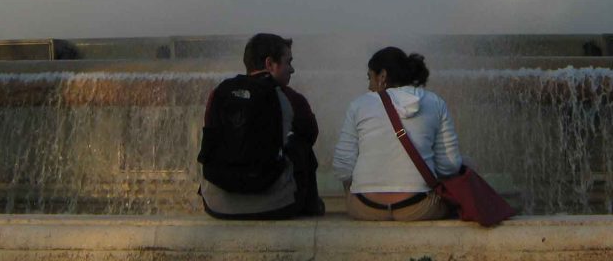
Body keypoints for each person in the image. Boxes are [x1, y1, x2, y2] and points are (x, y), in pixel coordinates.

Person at [198, 33, 324, 219]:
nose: (292, 69)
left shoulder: (220, 92)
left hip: (217, 205)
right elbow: (310, 135)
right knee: (301, 147)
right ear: (270, 64)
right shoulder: (290, 98)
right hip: (274, 206)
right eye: (288, 62)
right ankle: (312, 206)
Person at [332, 46, 463, 221]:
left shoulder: (359, 105)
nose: (369, 85)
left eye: (370, 77)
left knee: (350, 173)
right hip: (418, 208)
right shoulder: (435, 102)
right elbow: (450, 166)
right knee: (465, 166)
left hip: (367, 208)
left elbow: (343, 168)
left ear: (383, 76)